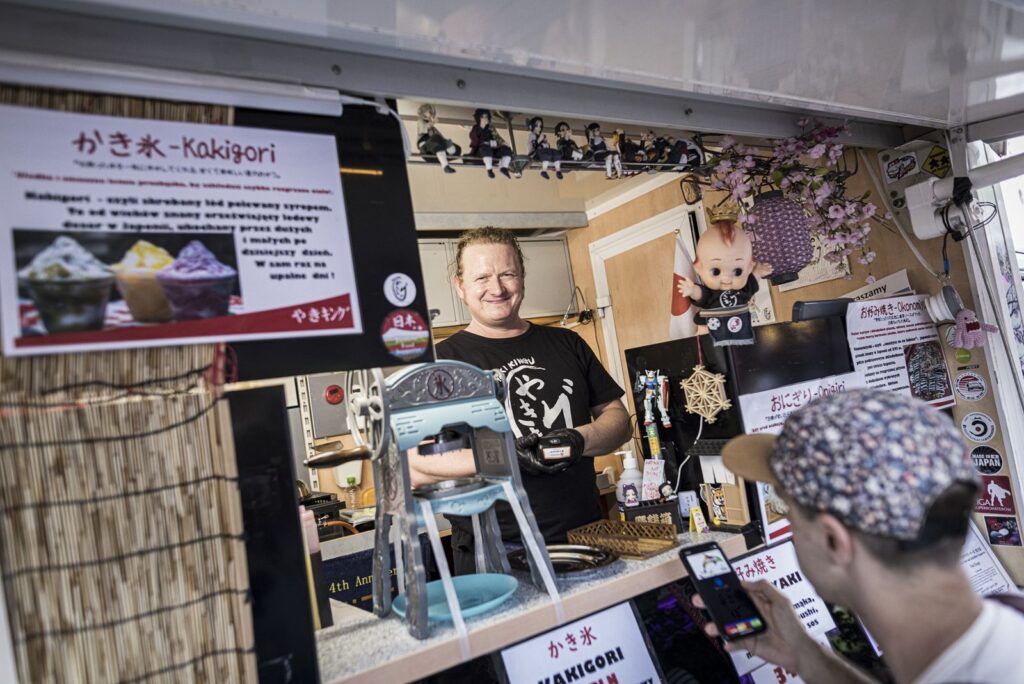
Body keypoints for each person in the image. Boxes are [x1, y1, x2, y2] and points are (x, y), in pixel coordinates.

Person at [701, 389, 1024, 684]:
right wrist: (804, 654)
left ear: (832, 541)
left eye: (790, 513)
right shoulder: (1011, 619)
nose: (789, 523)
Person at [409, 227, 631, 575]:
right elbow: (414, 461)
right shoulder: (441, 364)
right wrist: (506, 456)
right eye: (482, 277)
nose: (496, 288)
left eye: (507, 274)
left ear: (522, 277)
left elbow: (618, 419)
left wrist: (579, 438)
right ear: (460, 286)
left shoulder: (568, 343)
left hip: (585, 537)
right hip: (495, 552)